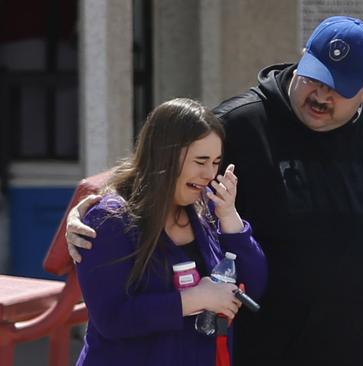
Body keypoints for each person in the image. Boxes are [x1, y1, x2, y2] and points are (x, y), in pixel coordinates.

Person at [67, 17, 363, 366]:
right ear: (302, 58)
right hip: (275, 354)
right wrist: (91, 207)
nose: (320, 95)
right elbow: (167, 164)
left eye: (338, 89)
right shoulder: (241, 124)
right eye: (314, 78)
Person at [73, 98, 267, 365]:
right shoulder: (109, 220)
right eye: (200, 161)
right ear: (165, 154)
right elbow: (112, 317)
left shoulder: (205, 209)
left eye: (215, 162)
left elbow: (253, 285)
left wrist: (229, 217)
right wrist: (194, 299)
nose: (209, 174)